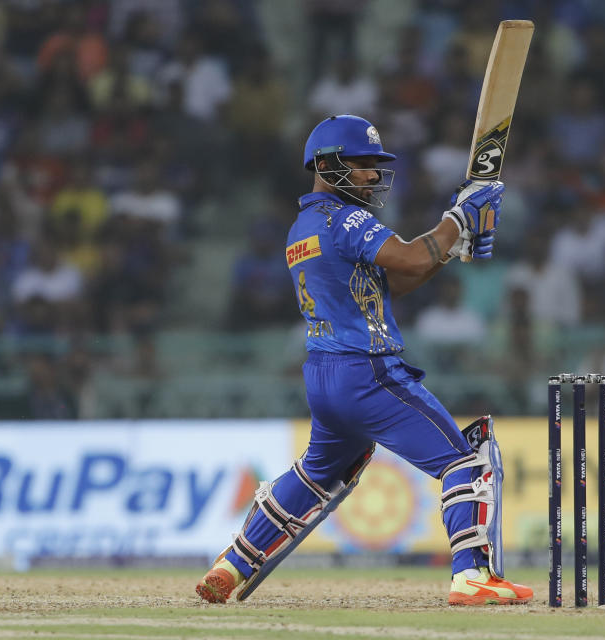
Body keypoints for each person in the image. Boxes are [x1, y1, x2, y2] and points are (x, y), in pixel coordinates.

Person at [196, 115, 531, 606]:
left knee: (318, 474)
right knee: (466, 458)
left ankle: (231, 565)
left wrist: (451, 243)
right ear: (328, 166)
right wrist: (458, 219)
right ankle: (472, 575)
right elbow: (414, 259)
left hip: (324, 377)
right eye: (362, 165)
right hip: (368, 372)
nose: (373, 175)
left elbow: (394, 283)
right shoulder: (347, 219)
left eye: (377, 166)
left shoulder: (302, 227)